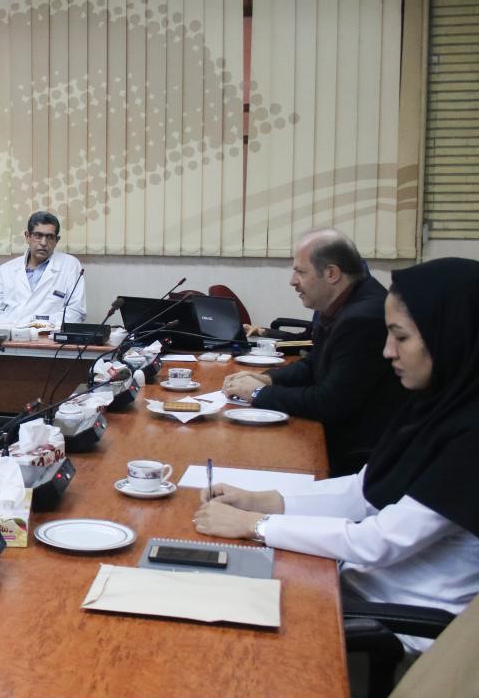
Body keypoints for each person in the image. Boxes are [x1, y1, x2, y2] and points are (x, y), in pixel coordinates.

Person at [194, 257, 479, 657]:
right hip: (357, 583)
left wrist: (254, 526)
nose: (387, 351)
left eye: (401, 337)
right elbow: (362, 492)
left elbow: (379, 542)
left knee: (218, 634)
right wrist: (261, 501)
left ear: (450, 337)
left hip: (395, 620)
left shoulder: (470, 437)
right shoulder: (438, 404)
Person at [221, 228, 406, 475]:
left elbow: (329, 402)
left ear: (331, 273)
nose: (292, 281)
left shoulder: (362, 318)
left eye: (300, 271)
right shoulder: (345, 303)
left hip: (354, 456)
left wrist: (257, 393)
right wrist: (266, 378)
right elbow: (314, 363)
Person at [0, 211, 86, 326]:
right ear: (27, 236)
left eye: (49, 237)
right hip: (12, 334)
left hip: (50, 335)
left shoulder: (70, 265)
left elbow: (76, 312)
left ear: (57, 240)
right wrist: (22, 326)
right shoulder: (7, 270)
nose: (44, 243)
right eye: (38, 235)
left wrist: (40, 324)